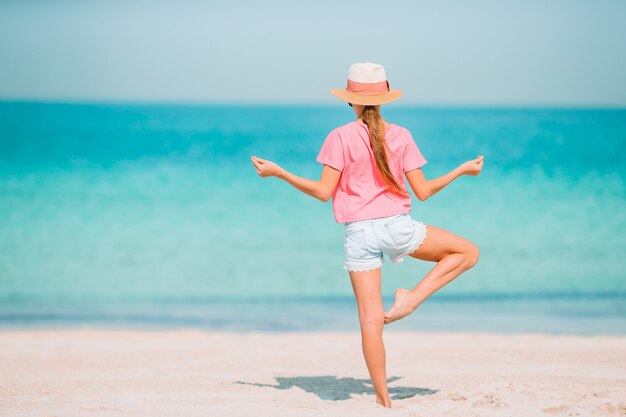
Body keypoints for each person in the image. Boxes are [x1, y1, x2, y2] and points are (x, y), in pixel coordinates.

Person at [250, 62, 483, 408]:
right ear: (384, 98)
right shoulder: (401, 135)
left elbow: (322, 193)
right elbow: (423, 191)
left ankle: (382, 398)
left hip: (358, 233)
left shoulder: (340, 137)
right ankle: (412, 300)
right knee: (467, 253)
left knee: (370, 321)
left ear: (350, 101)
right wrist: (462, 170)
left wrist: (280, 172)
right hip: (396, 227)